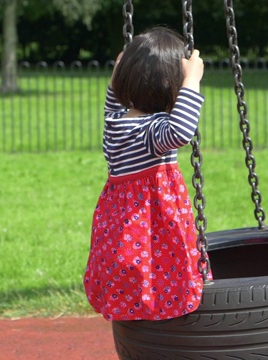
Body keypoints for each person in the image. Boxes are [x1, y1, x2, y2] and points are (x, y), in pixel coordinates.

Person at [83, 26, 208, 321]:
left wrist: (120, 71)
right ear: (170, 85)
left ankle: (132, 311)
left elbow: (113, 98)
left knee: (130, 270)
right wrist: (192, 81)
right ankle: (162, 321)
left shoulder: (115, 121)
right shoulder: (154, 131)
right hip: (149, 222)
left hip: (118, 223)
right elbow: (181, 131)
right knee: (159, 265)